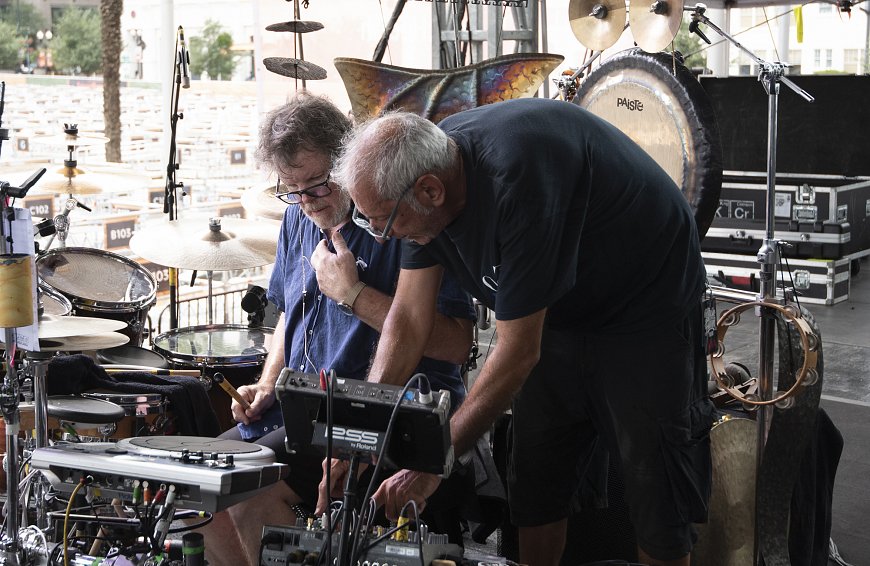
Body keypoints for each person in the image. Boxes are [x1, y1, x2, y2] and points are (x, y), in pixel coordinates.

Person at [325, 97, 715, 566]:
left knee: (656, 488)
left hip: (643, 308)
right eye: (367, 219)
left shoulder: (518, 180)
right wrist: (359, 434)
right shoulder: (419, 185)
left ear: (431, 191)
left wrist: (433, 463)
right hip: (558, 311)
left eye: (383, 220)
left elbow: (517, 352)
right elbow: (407, 319)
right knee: (536, 479)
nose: (381, 235)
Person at [199, 92, 476, 566]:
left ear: (349, 160)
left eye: (317, 185)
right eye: (292, 189)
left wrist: (353, 294)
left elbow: (455, 344)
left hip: (389, 414)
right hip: (306, 410)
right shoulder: (296, 217)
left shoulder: (399, 216)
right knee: (196, 484)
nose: (306, 202)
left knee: (245, 488)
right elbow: (287, 313)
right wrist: (266, 383)